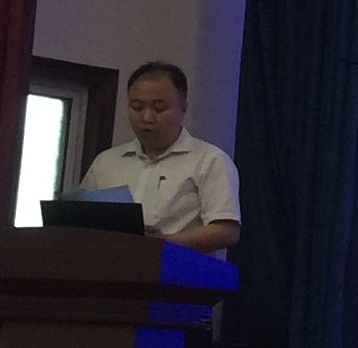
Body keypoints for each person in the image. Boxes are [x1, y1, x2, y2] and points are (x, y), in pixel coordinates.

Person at [76, 62, 240, 253]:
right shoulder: (106, 161)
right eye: (137, 107)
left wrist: (161, 243)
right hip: (110, 265)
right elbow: (80, 221)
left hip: (176, 269)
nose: (147, 117)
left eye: (159, 108)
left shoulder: (210, 160)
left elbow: (226, 231)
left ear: (183, 109)